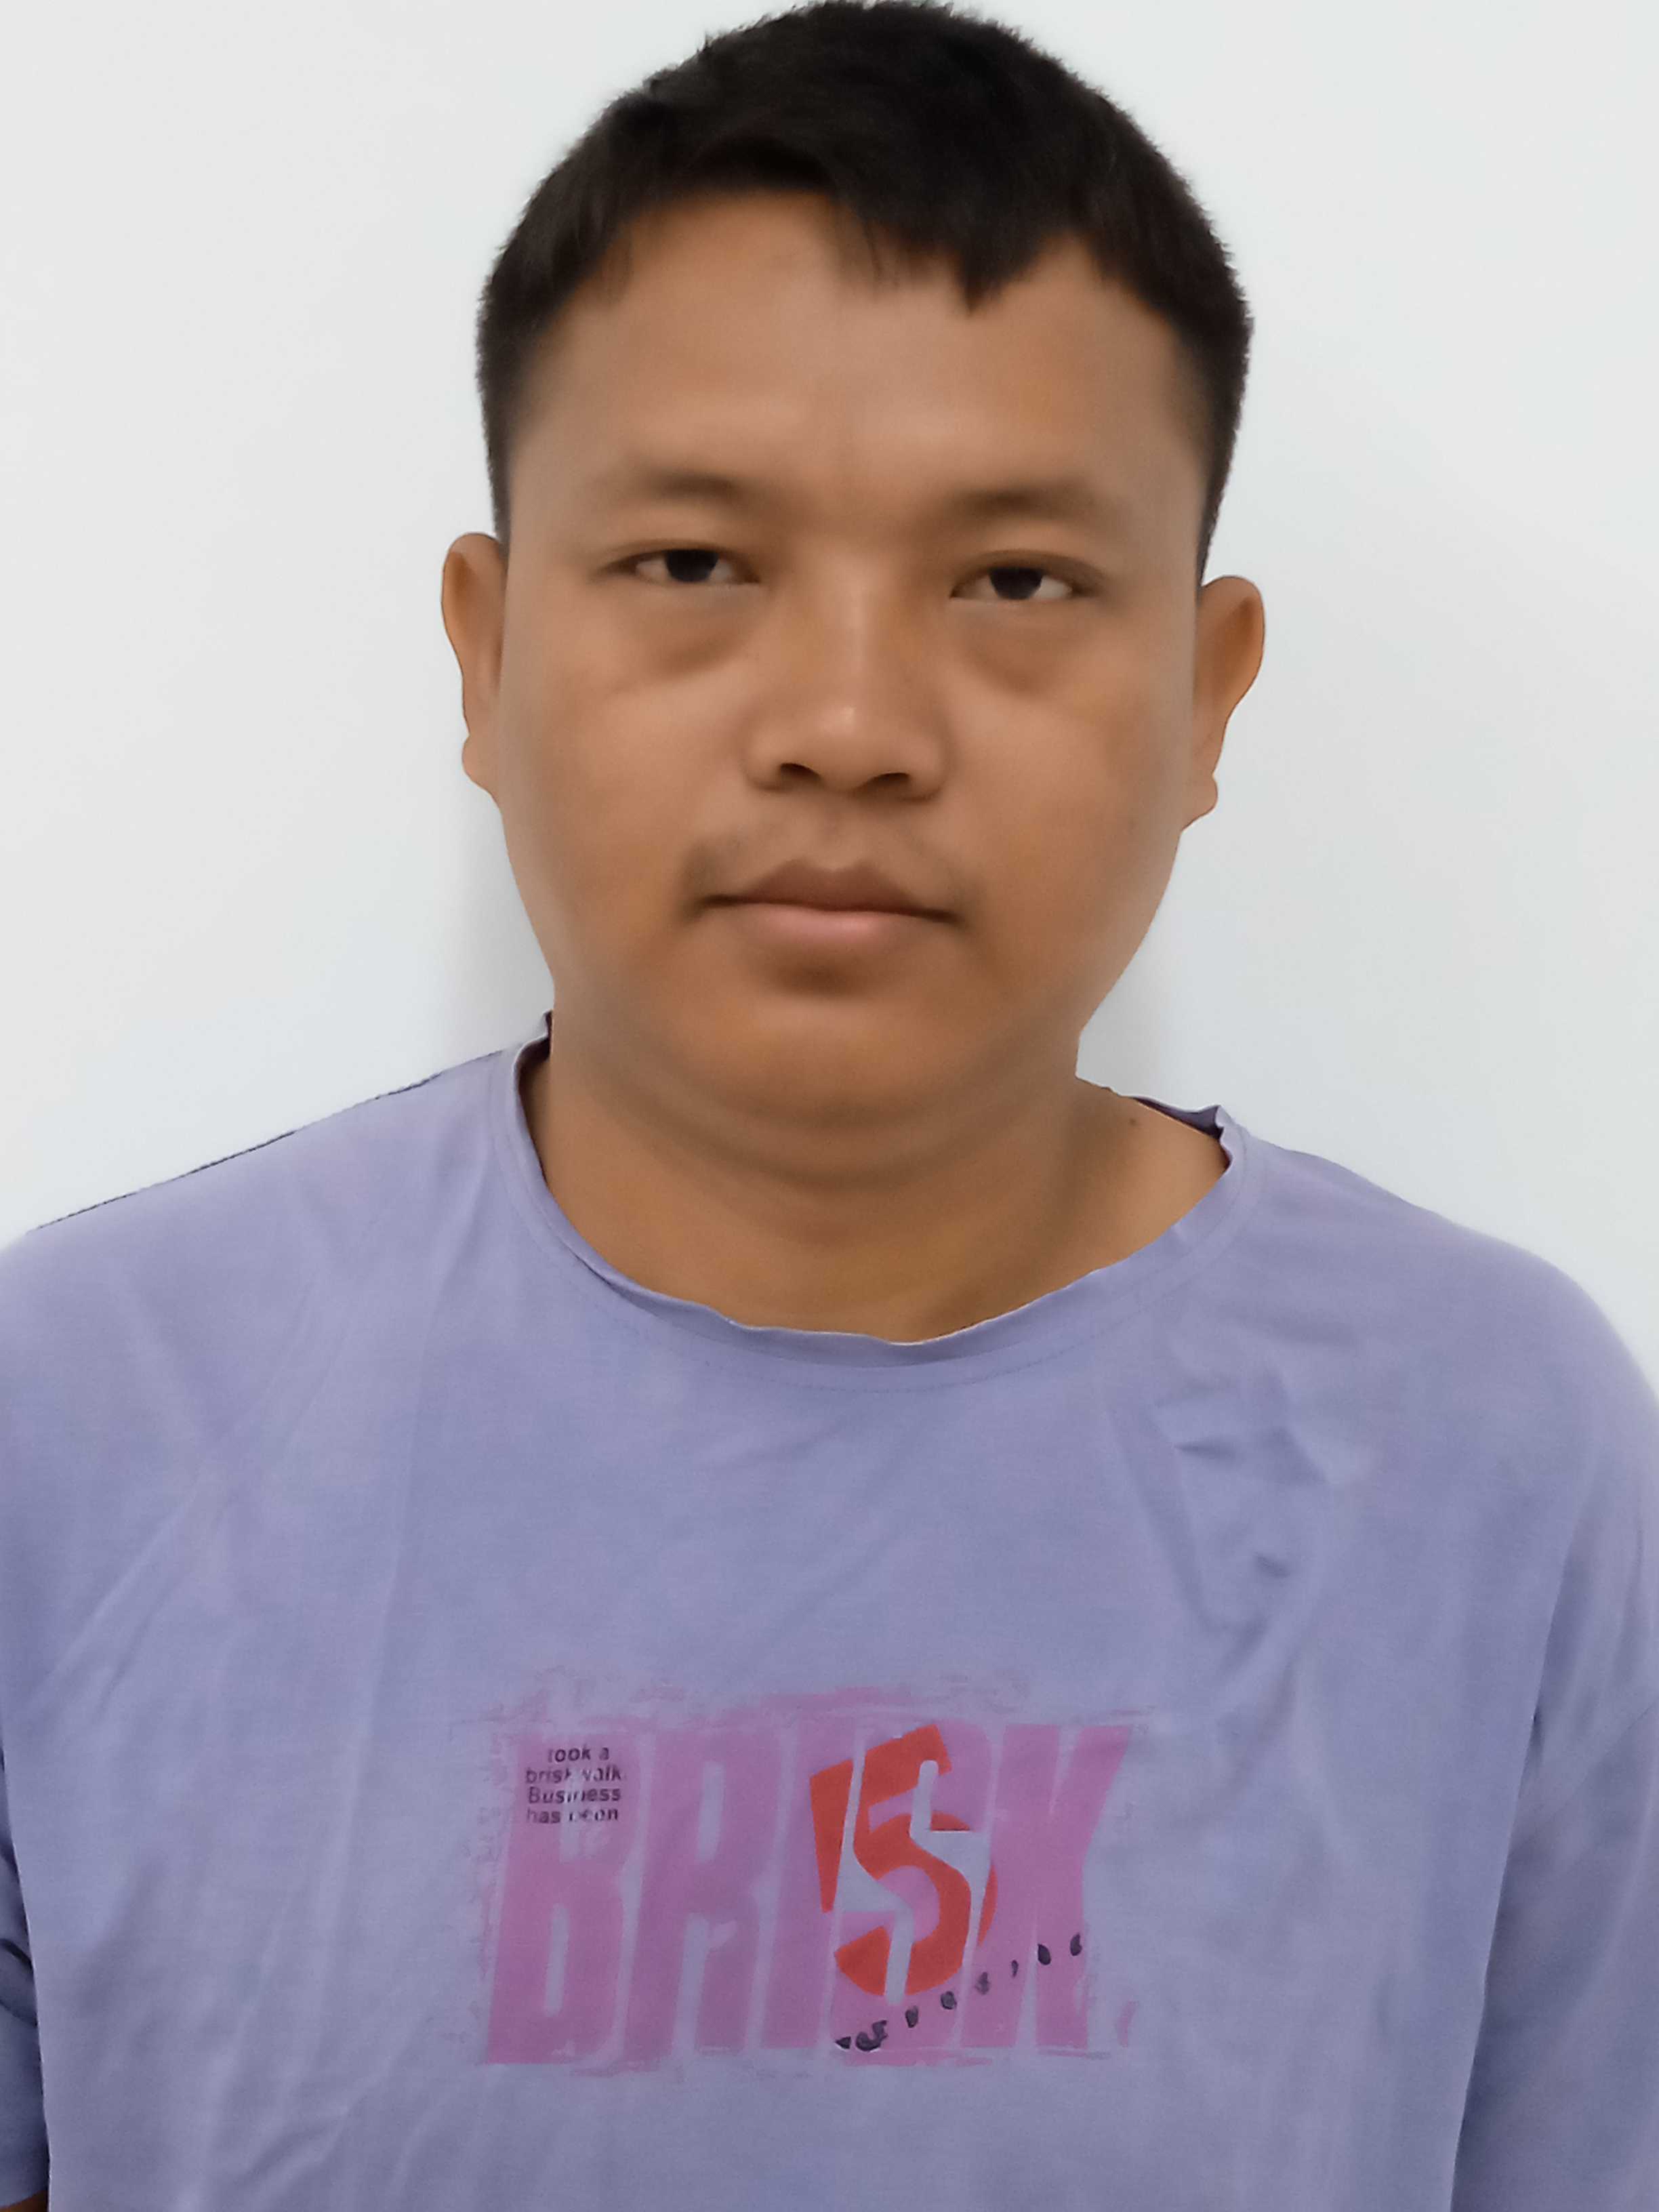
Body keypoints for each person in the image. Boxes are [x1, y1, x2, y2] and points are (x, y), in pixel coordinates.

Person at [3, 0, 1655, 2204]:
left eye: (1017, 581)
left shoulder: (1492, 1445)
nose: (851, 724)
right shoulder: (83, 1416)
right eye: (695, 563)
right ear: (485, 656)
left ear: (1205, 694)